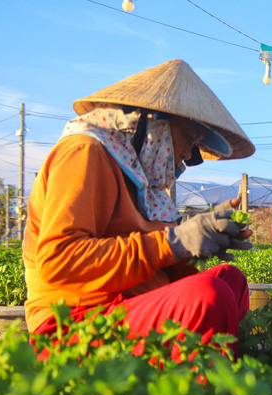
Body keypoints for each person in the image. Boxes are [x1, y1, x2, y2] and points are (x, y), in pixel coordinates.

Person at [23, 59, 256, 360]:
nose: (187, 153)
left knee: (230, 280)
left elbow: (156, 261)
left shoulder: (141, 177)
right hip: (73, 323)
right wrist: (175, 242)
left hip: (125, 308)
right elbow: (60, 261)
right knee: (208, 297)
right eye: (188, 138)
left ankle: (202, 381)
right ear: (149, 123)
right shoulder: (86, 152)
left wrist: (203, 239)